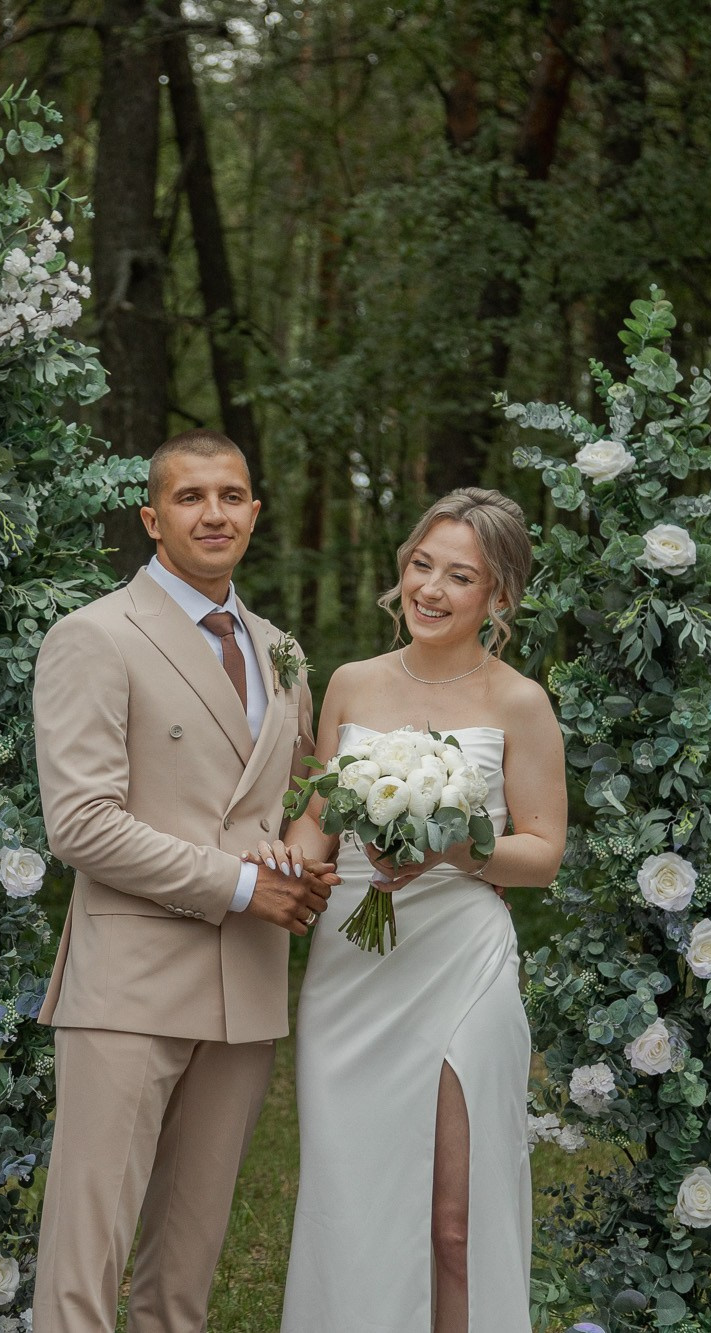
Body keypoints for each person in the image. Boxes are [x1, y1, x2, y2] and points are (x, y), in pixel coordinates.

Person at [29, 429, 337, 1333]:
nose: (214, 513)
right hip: (130, 982)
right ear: (151, 518)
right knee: (86, 1261)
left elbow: (302, 797)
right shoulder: (94, 636)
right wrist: (242, 884)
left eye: (231, 495)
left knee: (185, 1273)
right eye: (190, 496)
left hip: (244, 986)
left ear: (255, 512)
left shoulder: (281, 650)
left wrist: (325, 861)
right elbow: (82, 823)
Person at [258, 488, 568, 1333]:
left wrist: (453, 850)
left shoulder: (519, 702)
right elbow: (316, 821)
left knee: (456, 1223)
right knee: (354, 1207)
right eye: (421, 565)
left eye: (459, 576)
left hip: (462, 958)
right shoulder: (353, 683)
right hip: (354, 962)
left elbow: (543, 852)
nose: (430, 588)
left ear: (498, 596)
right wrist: (280, 863)